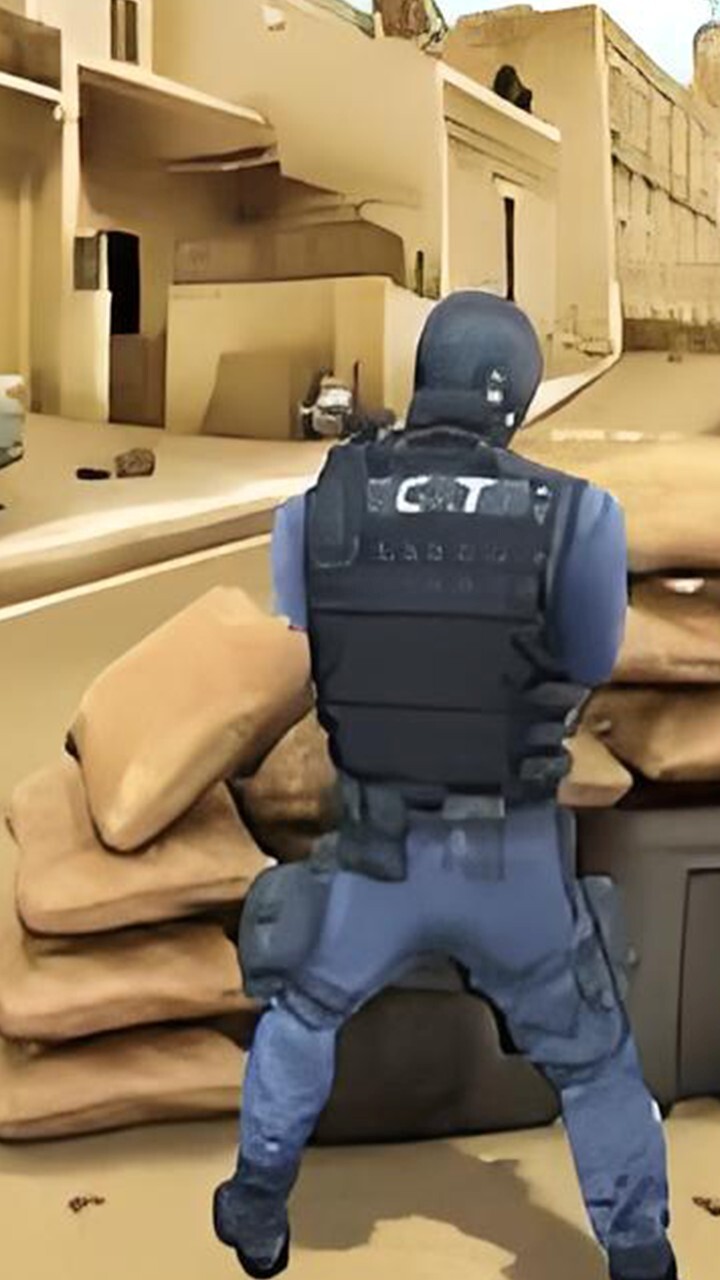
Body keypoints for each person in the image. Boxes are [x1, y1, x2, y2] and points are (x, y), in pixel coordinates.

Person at [214, 291, 679, 1280]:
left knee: (301, 1013)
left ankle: (256, 1203)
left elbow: (309, 629)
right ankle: (638, 1246)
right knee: (593, 1056)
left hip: (374, 856)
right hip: (512, 860)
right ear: (511, 394)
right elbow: (588, 657)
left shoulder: (321, 508)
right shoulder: (578, 515)